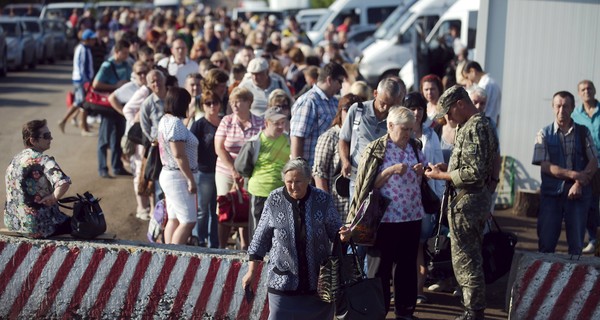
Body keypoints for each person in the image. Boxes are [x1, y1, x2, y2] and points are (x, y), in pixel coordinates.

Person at [425, 85, 500, 320]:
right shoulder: (478, 124)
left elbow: (473, 173)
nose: (447, 119)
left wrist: (442, 176)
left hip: (467, 204)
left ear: (460, 104)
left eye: (449, 112)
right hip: (471, 201)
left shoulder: (474, 127)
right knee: (469, 257)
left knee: (467, 259)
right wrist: (448, 168)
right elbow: (477, 165)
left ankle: (473, 311)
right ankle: (472, 309)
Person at [242, 158, 346, 320]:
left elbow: (336, 230)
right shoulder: (274, 199)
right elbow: (260, 238)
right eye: (289, 181)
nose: (293, 186)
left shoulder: (322, 199)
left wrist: (344, 234)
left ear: (308, 180)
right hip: (283, 282)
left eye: (298, 181)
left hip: (318, 286)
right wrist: (251, 272)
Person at [347, 107, 426, 320]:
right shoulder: (376, 149)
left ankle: (405, 311)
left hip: (411, 216)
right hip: (384, 219)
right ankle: (377, 312)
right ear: (390, 126)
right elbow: (366, 184)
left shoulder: (415, 146)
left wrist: (422, 170)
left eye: (411, 128)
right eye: (404, 128)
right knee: (379, 269)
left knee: (407, 268)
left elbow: (424, 175)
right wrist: (390, 171)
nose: (408, 133)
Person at [532, 90, 597, 255]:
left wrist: (578, 183)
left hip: (578, 194)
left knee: (576, 247)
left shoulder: (583, 132)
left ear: (573, 108)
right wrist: (574, 175)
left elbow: (594, 161)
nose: (562, 111)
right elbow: (546, 166)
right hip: (551, 194)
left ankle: (575, 281)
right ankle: (543, 279)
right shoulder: (543, 134)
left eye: (566, 106)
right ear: (553, 107)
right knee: (546, 244)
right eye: (558, 106)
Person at [404, 92, 445, 305]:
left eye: (420, 108)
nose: (417, 112)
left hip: (425, 196)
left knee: (420, 243)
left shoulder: (431, 134)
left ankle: (418, 290)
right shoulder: (398, 132)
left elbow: (438, 166)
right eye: (412, 108)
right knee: (403, 246)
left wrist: (438, 197)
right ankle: (403, 291)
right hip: (401, 197)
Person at [339, 77, 406, 202]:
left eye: (390, 104)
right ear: (375, 93)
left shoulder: (395, 119)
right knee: (356, 218)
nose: (385, 108)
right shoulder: (357, 110)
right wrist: (345, 161)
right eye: (382, 102)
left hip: (384, 180)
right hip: (357, 177)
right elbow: (343, 139)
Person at [214, 87, 264, 249]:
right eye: (232, 102)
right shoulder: (227, 121)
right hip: (225, 171)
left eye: (238, 101)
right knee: (224, 208)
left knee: (246, 209)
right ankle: (221, 247)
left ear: (249, 102)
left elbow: (262, 148)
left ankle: (245, 246)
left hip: (250, 173)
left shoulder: (260, 123)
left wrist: (245, 172)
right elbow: (219, 148)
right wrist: (234, 171)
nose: (234, 105)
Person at [4, 120, 72, 238]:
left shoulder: (14, 160)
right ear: (33, 140)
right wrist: (53, 198)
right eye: (46, 136)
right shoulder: (43, 160)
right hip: (39, 225)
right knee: (81, 225)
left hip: (13, 223)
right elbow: (64, 182)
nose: (51, 138)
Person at [157, 87, 199, 245]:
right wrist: (190, 180)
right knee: (188, 221)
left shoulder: (165, 120)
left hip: (170, 173)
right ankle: (175, 256)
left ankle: (169, 254)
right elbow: (179, 154)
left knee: (174, 219)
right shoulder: (175, 123)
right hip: (178, 176)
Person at [313, 94, 362, 222]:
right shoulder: (329, 136)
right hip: (336, 203)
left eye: (355, 110)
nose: (351, 113)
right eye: (347, 109)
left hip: (358, 200)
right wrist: (326, 205)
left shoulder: (362, 137)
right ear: (340, 112)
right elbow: (319, 173)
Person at [244, 107, 291, 237]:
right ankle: (255, 256)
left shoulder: (288, 139)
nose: (281, 126)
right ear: (266, 123)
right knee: (257, 229)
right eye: (276, 123)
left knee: (278, 228)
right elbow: (242, 166)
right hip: (259, 190)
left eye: (283, 122)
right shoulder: (256, 141)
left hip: (281, 191)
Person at [290, 62, 347, 167]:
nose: (341, 86)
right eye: (339, 81)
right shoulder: (309, 101)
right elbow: (297, 137)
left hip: (328, 169)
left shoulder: (334, 102)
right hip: (310, 169)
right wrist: (298, 169)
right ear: (329, 80)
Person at [92, 39, 132, 178]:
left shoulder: (127, 64)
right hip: (108, 107)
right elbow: (96, 84)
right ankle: (102, 168)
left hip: (122, 106)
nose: (127, 55)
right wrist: (115, 86)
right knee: (104, 139)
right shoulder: (107, 66)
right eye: (124, 53)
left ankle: (117, 167)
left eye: (128, 53)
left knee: (118, 138)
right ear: (116, 52)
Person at [189, 89, 222, 248]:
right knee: (202, 209)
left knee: (217, 210)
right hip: (204, 172)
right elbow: (189, 147)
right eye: (208, 103)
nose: (212, 106)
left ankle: (214, 243)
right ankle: (199, 241)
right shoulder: (199, 124)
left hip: (222, 172)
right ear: (203, 106)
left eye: (215, 102)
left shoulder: (225, 121)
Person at [573, 80, 600, 254]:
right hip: (589, 166)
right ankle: (592, 239)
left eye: (589, 88)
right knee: (590, 203)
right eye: (583, 89)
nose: (587, 91)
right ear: (579, 93)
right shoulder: (575, 114)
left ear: (595, 90)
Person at [58, 29, 96, 136]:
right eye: (92, 39)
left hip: (82, 80)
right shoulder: (83, 49)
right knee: (82, 103)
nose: (94, 41)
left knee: (80, 102)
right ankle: (81, 127)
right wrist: (86, 81)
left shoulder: (85, 48)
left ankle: (78, 124)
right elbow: (82, 67)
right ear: (88, 39)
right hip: (82, 80)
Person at [463, 61, 502, 125]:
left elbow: (477, 108)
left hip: (484, 123)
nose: (468, 80)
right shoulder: (494, 83)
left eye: (467, 77)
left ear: (472, 71)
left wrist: (468, 90)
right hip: (493, 122)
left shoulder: (483, 85)